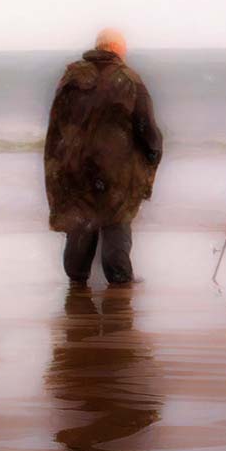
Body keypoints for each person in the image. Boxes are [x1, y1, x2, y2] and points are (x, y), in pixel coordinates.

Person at [43, 29, 163, 284]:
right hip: (116, 170)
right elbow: (147, 129)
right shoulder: (128, 80)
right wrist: (153, 156)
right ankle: (119, 282)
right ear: (119, 50)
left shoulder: (71, 78)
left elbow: (56, 124)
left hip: (75, 167)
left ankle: (77, 281)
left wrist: (60, 161)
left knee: (81, 222)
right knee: (116, 221)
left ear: (98, 48)